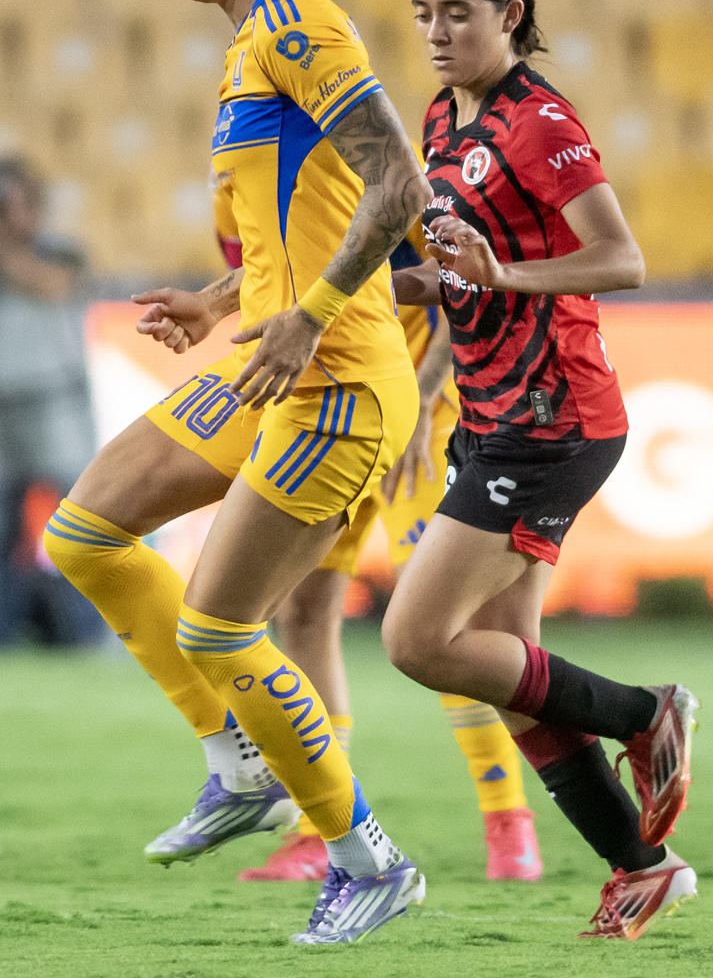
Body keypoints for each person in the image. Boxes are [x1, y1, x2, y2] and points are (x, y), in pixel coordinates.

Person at [41, 0, 431, 945]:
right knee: (83, 531)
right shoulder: (246, 45)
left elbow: (399, 186)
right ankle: (236, 759)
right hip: (277, 358)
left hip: (343, 380)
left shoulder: (301, 30)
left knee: (221, 629)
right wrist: (221, 302)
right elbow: (292, 226)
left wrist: (306, 320)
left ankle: (369, 860)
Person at [379, 0, 698, 940]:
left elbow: (621, 256)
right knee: (513, 670)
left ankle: (646, 713)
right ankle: (640, 867)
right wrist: (431, 380)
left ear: (510, 14)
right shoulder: (443, 118)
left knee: (419, 639)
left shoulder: (539, 122)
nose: (436, 32)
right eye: (424, 13)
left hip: (554, 422)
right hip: (489, 418)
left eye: (457, 14)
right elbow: (463, 276)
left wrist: (500, 275)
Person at [227, 214, 543, 885]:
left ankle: (507, 819)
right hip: (326, 412)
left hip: (421, 415)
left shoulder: (379, 171)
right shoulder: (246, 180)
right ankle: (320, 828)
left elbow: (465, 287)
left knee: (441, 626)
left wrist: (430, 388)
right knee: (304, 611)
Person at [0, 159, 108, 649]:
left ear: (37, 208)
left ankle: (91, 634)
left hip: (56, 402)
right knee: (0, 533)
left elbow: (52, 286)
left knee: (80, 524)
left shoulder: (61, 253)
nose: (5, 217)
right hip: (0, 406)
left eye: (14, 205)